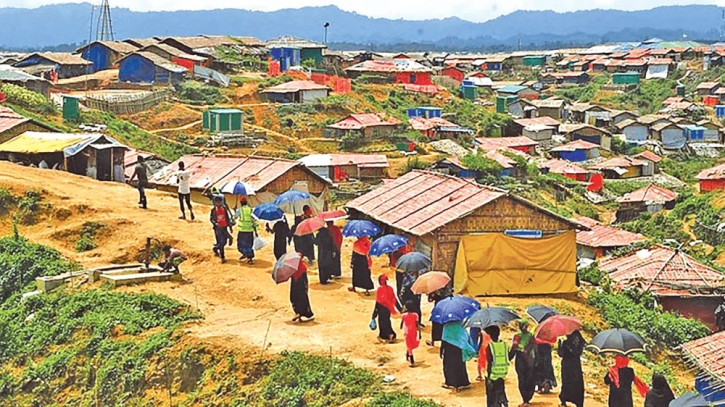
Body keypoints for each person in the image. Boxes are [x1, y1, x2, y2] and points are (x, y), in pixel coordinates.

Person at [441, 320, 475, 391]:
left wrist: (441, 351)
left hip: (449, 349)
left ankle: (450, 383)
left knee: (448, 366)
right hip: (459, 350)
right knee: (460, 366)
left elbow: (444, 339)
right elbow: (466, 336)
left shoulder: (446, 326)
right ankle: (464, 383)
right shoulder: (461, 325)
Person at [510, 320, 536, 407]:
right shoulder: (530, 336)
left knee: (523, 380)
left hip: (522, 360)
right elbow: (533, 348)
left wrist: (509, 356)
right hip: (529, 360)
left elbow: (513, 349)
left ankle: (526, 399)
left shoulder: (518, 336)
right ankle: (526, 399)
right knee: (527, 379)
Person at [558, 330, 585, 407]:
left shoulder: (574, 342)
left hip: (570, 365)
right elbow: (561, 353)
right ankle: (569, 400)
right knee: (571, 382)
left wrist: (565, 345)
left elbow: (575, 352)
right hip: (572, 365)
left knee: (570, 382)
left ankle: (567, 400)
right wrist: (561, 343)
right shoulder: (575, 340)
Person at [485, 325, 510, 407]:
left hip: (493, 373)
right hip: (503, 372)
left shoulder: (490, 346)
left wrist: (488, 376)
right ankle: (503, 400)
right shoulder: (504, 344)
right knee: (500, 388)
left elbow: (489, 361)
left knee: (492, 394)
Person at [372, 274, 400, 343]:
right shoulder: (390, 289)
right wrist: (399, 308)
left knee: (382, 323)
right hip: (388, 309)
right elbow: (394, 299)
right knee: (387, 321)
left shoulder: (380, 289)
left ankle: (390, 334)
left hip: (381, 309)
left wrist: (374, 314)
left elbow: (378, 302)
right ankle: (386, 335)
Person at [290, 256, 314, 323]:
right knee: (302, 298)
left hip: (296, 284)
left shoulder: (293, 267)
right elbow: (305, 280)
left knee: (295, 298)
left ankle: (298, 313)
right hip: (301, 285)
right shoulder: (302, 267)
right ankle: (301, 313)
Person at [210, 196, 231, 264]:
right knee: (221, 242)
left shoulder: (224, 209)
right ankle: (222, 257)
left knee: (224, 242)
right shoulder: (213, 210)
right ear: (215, 203)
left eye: (220, 202)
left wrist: (230, 227)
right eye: (217, 202)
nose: (219, 203)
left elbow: (227, 218)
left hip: (224, 227)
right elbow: (211, 219)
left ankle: (216, 248)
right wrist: (216, 224)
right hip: (218, 229)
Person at [236, 197, 257, 264]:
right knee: (249, 244)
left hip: (242, 230)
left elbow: (234, 217)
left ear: (240, 203)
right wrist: (255, 231)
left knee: (241, 244)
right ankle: (250, 258)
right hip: (250, 230)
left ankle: (245, 253)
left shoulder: (240, 210)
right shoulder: (251, 210)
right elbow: (254, 221)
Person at [401, 301, 421, 367]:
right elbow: (417, 325)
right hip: (413, 332)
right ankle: (409, 357)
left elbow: (401, 324)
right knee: (411, 344)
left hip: (406, 332)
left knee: (409, 345)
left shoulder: (403, 315)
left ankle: (411, 360)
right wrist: (419, 333)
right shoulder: (415, 315)